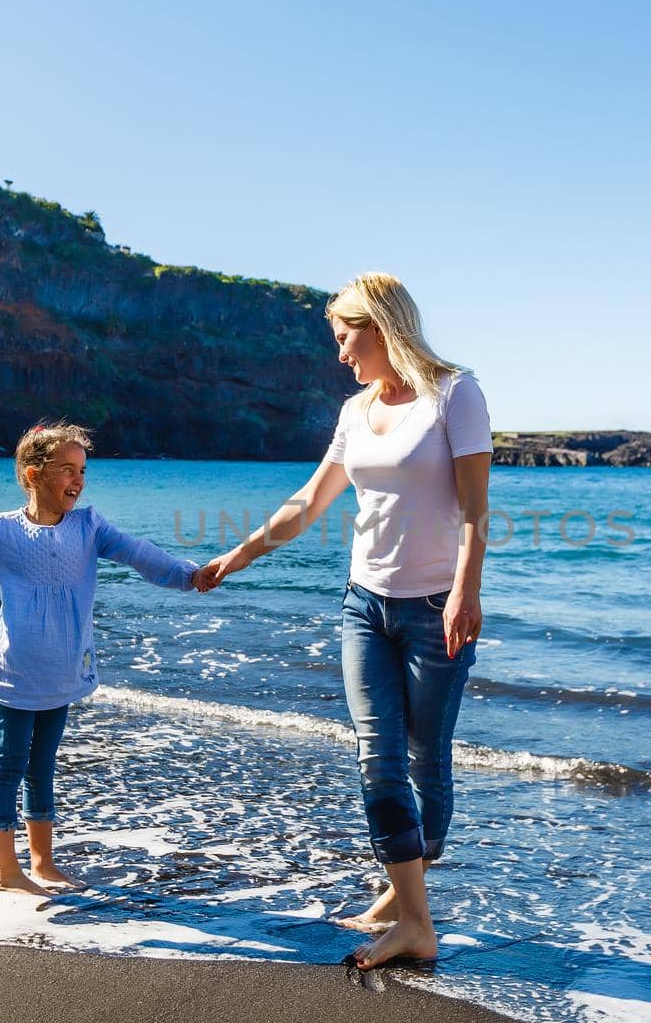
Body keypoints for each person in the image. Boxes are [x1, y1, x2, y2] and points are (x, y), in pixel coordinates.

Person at [196, 272, 491, 968]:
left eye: (344, 335)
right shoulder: (355, 411)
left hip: (432, 609)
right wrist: (238, 555)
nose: (339, 353)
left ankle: (402, 896)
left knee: (426, 761)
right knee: (376, 757)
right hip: (364, 604)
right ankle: (416, 920)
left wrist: (463, 591)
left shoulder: (455, 393)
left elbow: (476, 510)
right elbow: (308, 501)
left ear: (382, 324)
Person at [0, 422, 211, 896]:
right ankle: (5, 871)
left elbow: (142, 555)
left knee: (43, 768)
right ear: (34, 475)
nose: (78, 480)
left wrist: (190, 576)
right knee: (8, 766)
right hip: (15, 674)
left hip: (63, 672)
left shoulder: (89, 527)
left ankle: (43, 863)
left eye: (83, 471)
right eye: (67, 470)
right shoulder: (5, 532)